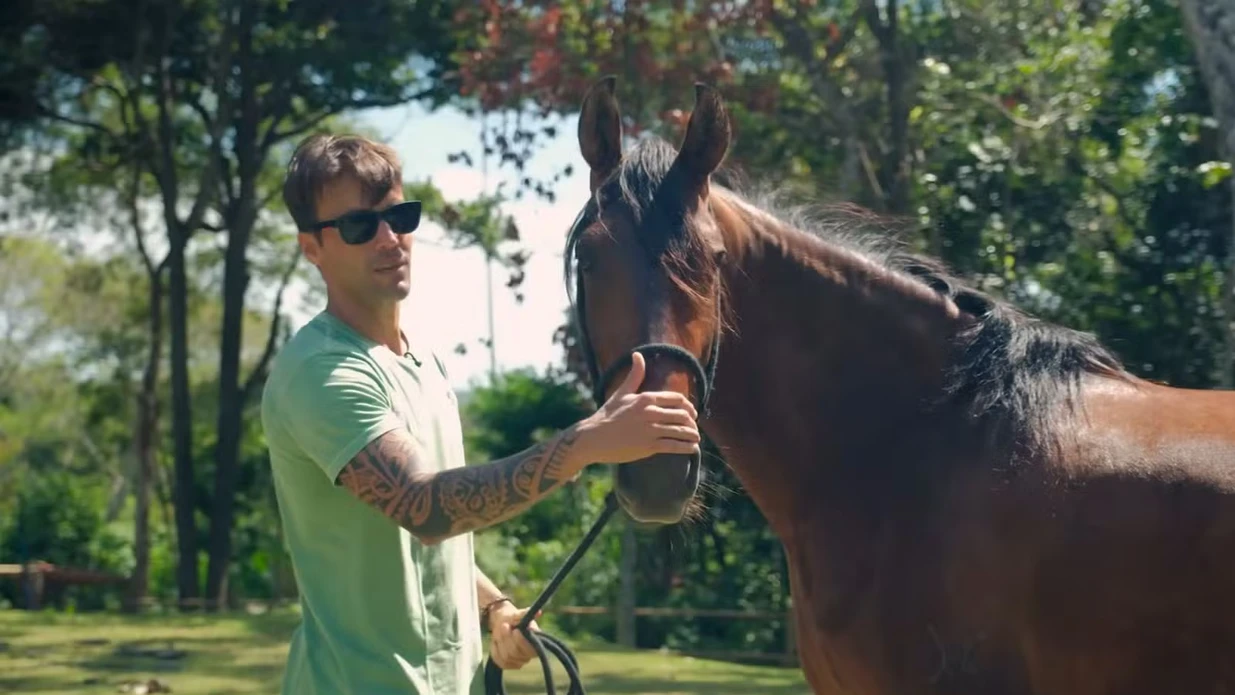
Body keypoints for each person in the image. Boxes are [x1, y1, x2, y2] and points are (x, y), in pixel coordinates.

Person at [259, 133, 702, 695]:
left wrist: (495, 608)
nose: (390, 238)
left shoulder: (424, 363)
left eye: (399, 216)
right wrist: (587, 444)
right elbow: (424, 508)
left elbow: (423, 551)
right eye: (358, 226)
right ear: (311, 248)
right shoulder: (320, 371)